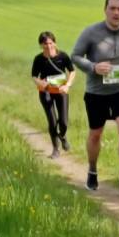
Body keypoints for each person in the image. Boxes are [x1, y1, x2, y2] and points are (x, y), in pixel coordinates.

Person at [70, 0, 119, 195]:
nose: (116, 12)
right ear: (105, 10)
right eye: (112, 8)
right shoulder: (91, 32)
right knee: (96, 134)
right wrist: (94, 67)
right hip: (96, 92)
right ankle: (92, 171)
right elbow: (75, 56)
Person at [31, 31, 76, 159]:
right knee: (52, 121)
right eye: (45, 44)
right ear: (41, 45)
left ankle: (62, 136)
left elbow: (72, 71)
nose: (49, 46)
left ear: (55, 43)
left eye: (51, 43)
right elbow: (34, 76)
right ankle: (55, 149)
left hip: (61, 91)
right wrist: (39, 82)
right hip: (45, 91)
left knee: (64, 122)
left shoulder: (63, 56)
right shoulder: (38, 59)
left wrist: (68, 85)